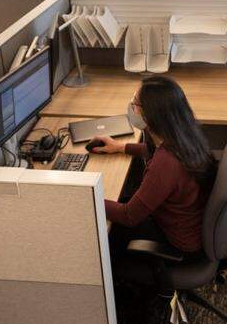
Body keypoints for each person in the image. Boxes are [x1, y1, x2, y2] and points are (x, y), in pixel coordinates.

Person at [91, 76, 215, 257]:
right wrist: (120, 147)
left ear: (150, 114)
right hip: (187, 224)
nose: (132, 107)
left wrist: (88, 198)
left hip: (177, 243)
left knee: (105, 231)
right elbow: (153, 151)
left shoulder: (165, 163)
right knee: (121, 199)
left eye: (135, 103)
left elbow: (129, 216)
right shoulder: (184, 135)